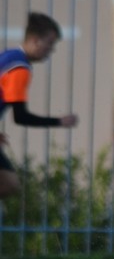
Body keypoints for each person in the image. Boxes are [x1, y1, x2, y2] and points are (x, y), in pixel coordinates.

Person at [0, 12, 79, 199]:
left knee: (9, 183)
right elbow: (20, 117)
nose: (51, 50)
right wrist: (59, 121)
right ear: (35, 40)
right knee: (9, 184)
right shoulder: (19, 68)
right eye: (50, 43)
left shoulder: (9, 56)